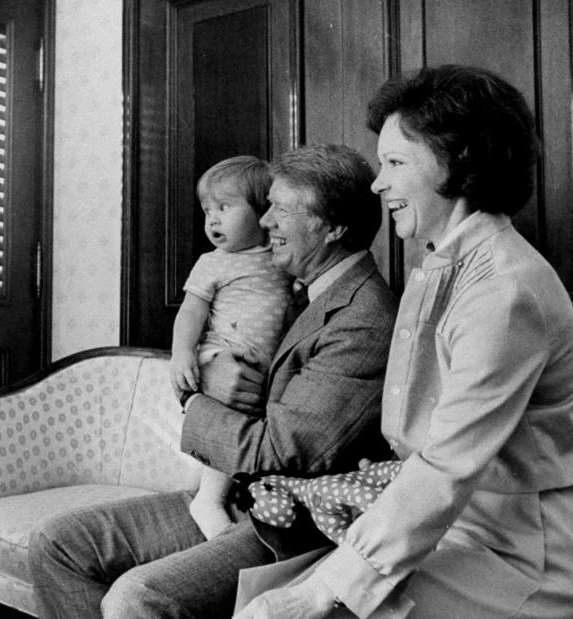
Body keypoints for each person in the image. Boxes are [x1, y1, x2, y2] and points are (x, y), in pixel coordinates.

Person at [234, 64, 573, 619]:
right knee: (260, 599)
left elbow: (448, 464)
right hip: (456, 526)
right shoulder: (446, 264)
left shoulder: (504, 291)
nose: (376, 183)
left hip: (527, 555)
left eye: (394, 162)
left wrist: (324, 590)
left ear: (458, 162)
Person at [28, 143, 397, 619]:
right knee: (56, 544)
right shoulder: (303, 286)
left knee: (137, 597)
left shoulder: (363, 317)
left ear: (333, 228)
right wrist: (207, 371)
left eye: (281, 210)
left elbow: (281, 450)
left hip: (288, 523)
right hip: (242, 494)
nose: (265, 223)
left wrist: (199, 394)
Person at [170, 156, 294, 540]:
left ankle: (240, 497)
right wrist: (182, 354)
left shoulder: (281, 258)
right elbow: (191, 311)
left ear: (263, 211)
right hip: (222, 354)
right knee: (231, 420)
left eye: (224, 207)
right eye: (208, 210)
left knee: (253, 428)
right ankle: (209, 500)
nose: (213, 219)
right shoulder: (213, 263)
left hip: (260, 368)